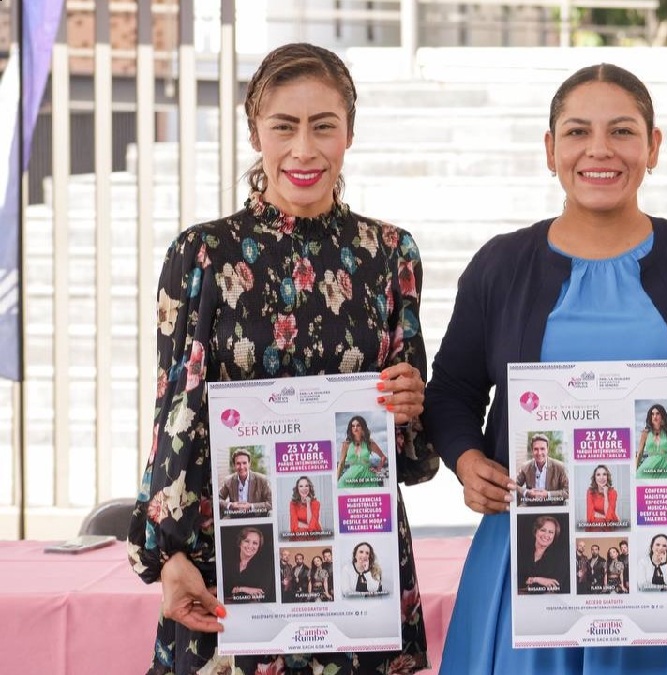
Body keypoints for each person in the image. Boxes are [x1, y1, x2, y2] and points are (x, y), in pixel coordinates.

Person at [424, 63, 667, 672]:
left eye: (621, 131)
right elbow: (452, 392)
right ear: (550, 149)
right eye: (577, 132)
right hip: (531, 557)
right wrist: (466, 461)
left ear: (653, 146)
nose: (599, 150)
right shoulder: (499, 266)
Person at [127, 42, 431, 674]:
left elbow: (408, 448)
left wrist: (408, 403)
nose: (304, 149)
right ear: (254, 132)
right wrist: (169, 556)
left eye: (324, 126)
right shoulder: (203, 254)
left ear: (350, 132)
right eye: (284, 127)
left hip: (355, 557)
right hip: (229, 562)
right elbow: (175, 415)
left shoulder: (390, 254)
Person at [516, 515, 569, 594]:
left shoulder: (559, 558)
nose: (546, 535)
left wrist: (534, 580)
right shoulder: (522, 551)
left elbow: (555, 586)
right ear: (535, 531)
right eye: (543, 530)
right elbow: (516, 581)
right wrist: (539, 580)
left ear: (554, 536)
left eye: (551, 532)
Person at [514, 433, 569, 506]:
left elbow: (568, 491)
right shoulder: (525, 467)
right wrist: (527, 492)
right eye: (536, 449)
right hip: (532, 506)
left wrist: (548, 494)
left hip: (553, 506)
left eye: (542, 449)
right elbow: (514, 485)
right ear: (532, 450)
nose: (539, 453)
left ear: (547, 450)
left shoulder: (560, 467)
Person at [222, 527, 275, 604]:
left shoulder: (265, 567)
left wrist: (241, 589)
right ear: (240, 542)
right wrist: (248, 590)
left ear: (258, 547)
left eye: (255, 543)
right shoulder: (227, 562)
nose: (250, 546)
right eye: (247, 541)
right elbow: (222, 590)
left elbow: (261, 594)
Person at [635, 403, 667, 478]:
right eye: (652, 414)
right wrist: (635, 469)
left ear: (662, 416)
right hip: (649, 467)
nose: (654, 416)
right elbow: (640, 454)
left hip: (666, 468)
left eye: (657, 414)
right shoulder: (645, 433)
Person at [337, 415, 389, 488]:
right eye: (353, 426)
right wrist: (336, 480)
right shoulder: (346, 444)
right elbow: (341, 463)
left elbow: (383, 457)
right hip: (350, 478)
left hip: (367, 478)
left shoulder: (369, 443)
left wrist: (378, 469)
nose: (355, 428)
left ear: (363, 427)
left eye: (358, 425)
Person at [218, 449, 273, 517]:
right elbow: (217, 499)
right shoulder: (228, 481)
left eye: (244, 463)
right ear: (234, 465)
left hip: (256, 518)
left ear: (249, 464)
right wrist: (230, 505)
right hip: (236, 519)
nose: (241, 467)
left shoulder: (262, 480)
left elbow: (271, 503)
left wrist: (251, 506)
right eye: (238, 463)